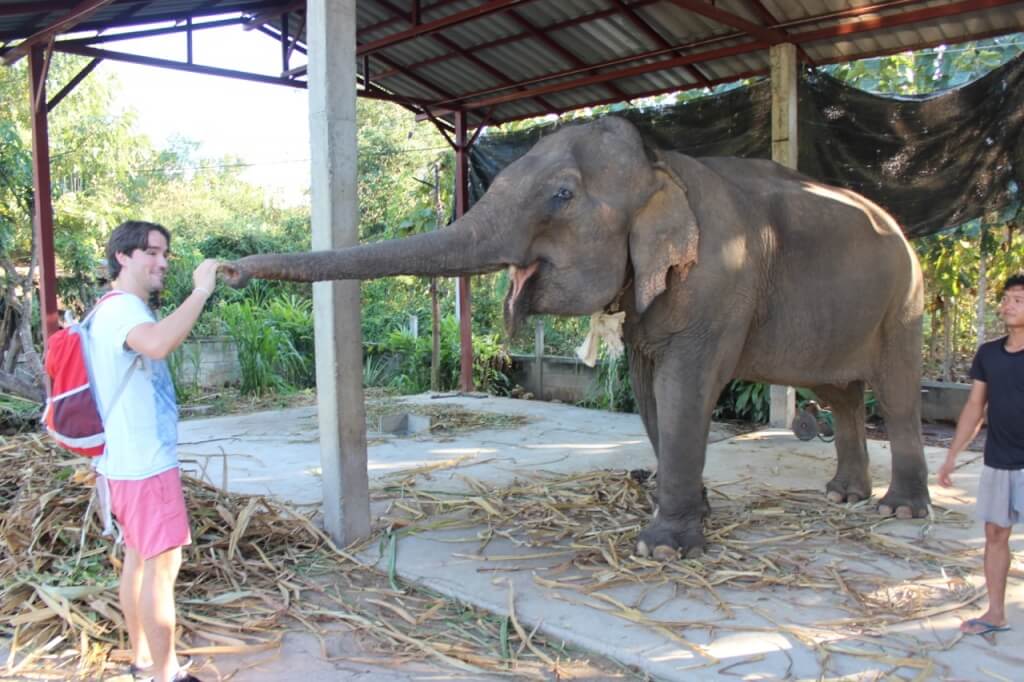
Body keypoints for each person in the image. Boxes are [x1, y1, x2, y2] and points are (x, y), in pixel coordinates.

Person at [91, 220, 218, 682]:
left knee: (140, 561)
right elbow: (159, 344)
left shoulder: (108, 309)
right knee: (163, 567)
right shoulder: (124, 310)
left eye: (165, 253)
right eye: (150, 252)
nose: (162, 262)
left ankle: (143, 659)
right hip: (145, 465)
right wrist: (201, 291)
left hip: (125, 464)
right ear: (122, 257)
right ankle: (168, 674)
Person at [937, 273, 1024, 636]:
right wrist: (953, 454)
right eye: (1006, 298)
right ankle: (995, 614)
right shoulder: (989, 353)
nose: (1007, 305)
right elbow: (975, 407)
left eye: (1017, 299)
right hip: (1000, 459)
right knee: (995, 534)